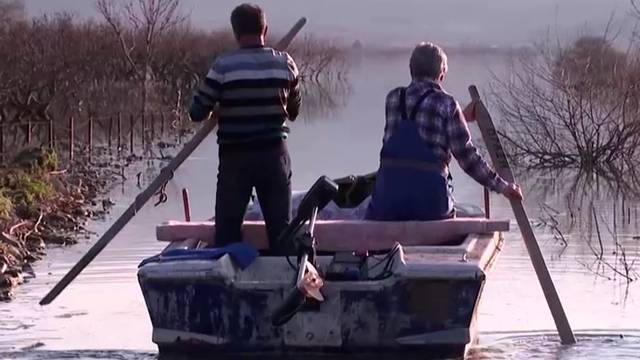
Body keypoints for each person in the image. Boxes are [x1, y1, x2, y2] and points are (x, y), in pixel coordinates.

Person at [365, 42, 522, 221]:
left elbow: (416, 128)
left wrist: (460, 117)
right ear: (441, 74)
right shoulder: (447, 104)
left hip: (387, 204)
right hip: (431, 207)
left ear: (411, 70)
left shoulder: (393, 99)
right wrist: (502, 187)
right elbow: (467, 158)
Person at [189, 3, 301, 253]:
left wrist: (218, 108)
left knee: (227, 231)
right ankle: (283, 280)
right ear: (265, 29)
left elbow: (196, 112)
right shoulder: (286, 63)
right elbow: (293, 111)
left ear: (235, 32)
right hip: (274, 157)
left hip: (235, 159)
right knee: (282, 233)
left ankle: (229, 279)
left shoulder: (223, 67)